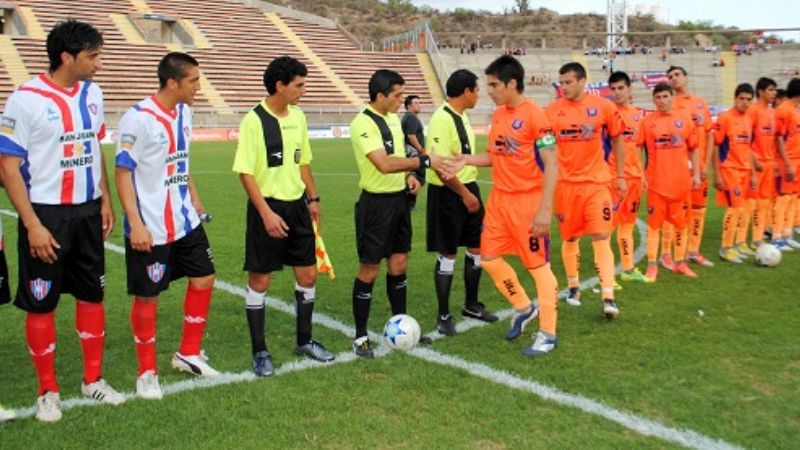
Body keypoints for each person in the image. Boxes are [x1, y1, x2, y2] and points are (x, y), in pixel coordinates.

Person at [0, 20, 124, 422]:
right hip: (47, 214)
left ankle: (92, 380)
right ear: (66, 57)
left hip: (87, 211)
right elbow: (8, 166)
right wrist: (33, 224)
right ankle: (46, 391)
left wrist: (104, 198)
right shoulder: (26, 99)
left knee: (92, 295)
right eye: (92, 56)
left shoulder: (93, 93)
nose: (99, 64)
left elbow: (93, 149)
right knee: (43, 302)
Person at [116, 52, 219, 401]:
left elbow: (181, 162)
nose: (198, 87)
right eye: (193, 81)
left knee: (205, 276)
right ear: (172, 82)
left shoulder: (185, 113)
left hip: (185, 219)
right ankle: (146, 372)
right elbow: (123, 172)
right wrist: (135, 223)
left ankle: (187, 353)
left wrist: (196, 198)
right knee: (148, 296)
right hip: (152, 226)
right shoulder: (138, 118)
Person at [449, 55, 559, 355]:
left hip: (528, 202)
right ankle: (523, 307)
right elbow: (494, 156)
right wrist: (466, 160)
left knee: (539, 268)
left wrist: (544, 209)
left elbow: (552, 165)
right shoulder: (498, 116)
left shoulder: (537, 116)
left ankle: (548, 332)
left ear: (512, 83)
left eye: (495, 85)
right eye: (487, 85)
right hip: (500, 201)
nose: (490, 91)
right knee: (488, 259)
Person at [232, 56, 335, 376]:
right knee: (260, 280)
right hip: (268, 208)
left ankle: (304, 340)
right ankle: (260, 351)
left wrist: (313, 197)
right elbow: (245, 173)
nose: (303, 91)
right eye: (299, 85)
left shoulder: (299, 117)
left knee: (307, 276)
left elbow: (303, 161)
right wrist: (265, 214)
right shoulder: (254, 120)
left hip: (298, 207)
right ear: (280, 85)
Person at [349, 69, 446, 358]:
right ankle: (360, 336)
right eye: (397, 95)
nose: (401, 100)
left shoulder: (393, 119)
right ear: (380, 96)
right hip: (375, 206)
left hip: (399, 202)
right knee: (370, 269)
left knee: (399, 264)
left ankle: (402, 325)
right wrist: (423, 161)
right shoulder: (363, 123)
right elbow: (383, 163)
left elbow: (397, 163)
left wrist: (409, 179)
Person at [546, 62, 626, 318]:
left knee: (601, 236)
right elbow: (544, 146)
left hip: (596, 184)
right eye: (562, 82)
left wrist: (621, 175)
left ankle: (608, 296)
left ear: (582, 81)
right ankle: (573, 286)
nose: (564, 87)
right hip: (566, 187)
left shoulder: (604, 106)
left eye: (569, 82)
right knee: (570, 238)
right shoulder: (552, 111)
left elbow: (617, 138)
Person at [425, 69, 497, 336]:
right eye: (477, 90)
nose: (479, 95)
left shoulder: (462, 117)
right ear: (467, 91)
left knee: (477, 248)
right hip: (448, 194)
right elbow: (439, 166)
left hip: (470, 188)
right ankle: (443, 315)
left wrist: (471, 191)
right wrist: (464, 194)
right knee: (448, 253)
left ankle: (471, 305)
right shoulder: (441, 119)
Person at [641, 83, 701, 281]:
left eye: (665, 96)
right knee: (654, 226)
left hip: (681, 184)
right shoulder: (647, 122)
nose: (662, 101)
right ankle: (651, 266)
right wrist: (641, 174)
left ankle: (680, 263)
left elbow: (694, 148)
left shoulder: (685, 121)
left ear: (672, 97)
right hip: (656, 185)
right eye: (658, 97)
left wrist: (697, 174)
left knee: (682, 225)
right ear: (653, 100)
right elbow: (637, 148)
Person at [663, 66, 715, 269]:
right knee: (673, 211)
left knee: (699, 210)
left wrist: (706, 163)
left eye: (677, 75)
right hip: (678, 168)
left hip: (700, 166)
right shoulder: (670, 103)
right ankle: (667, 253)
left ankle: (693, 250)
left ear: (686, 77)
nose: (674, 78)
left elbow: (710, 134)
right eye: (670, 76)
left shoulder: (700, 104)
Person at [607, 71, 651, 282]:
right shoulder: (607, 114)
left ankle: (628, 268)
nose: (617, 93)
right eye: (613, 89)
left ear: (629, 89)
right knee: (607, 227)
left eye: (621, 88)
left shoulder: (636, 115)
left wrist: (641, 175)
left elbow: (639, 148)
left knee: (628, 224)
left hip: (633, 178)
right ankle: (606, 273)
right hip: (613, 179)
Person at [713, 83, 755, 263]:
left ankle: (737, 243)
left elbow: (747, 148)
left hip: (744, 169)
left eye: (748, 99)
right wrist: (717, 173)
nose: (745, 103)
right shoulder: (725, 118)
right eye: (741, 99)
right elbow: (715, 146)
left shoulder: (748, 120)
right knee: (735, 208)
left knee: (743, 208)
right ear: (735, 98)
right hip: (729, 169)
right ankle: (726, 248)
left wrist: (752, 173)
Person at [745, 78, 778, 250]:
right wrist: (754, 160)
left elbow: (773, 139)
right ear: (760, 92)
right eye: (771, 89)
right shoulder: (752, 111)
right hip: (755, 164)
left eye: (775, 90)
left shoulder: (772, 112)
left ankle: (758, 237)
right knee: (750, 202)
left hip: (769, 163)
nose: (774, 93)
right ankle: (740, 240)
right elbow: (746, 139)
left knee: (765, 201)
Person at [772, 78, 800, 250]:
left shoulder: (795, 110)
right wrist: (787, 163)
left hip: (797, 159)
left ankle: (787, 233)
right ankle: (776, 236)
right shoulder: (783, 110)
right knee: (782, 199)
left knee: (792, 198)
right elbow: (778, 138)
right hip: (786, 161)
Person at [401, 94, 426, 210]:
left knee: (414, 177)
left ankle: (409, 203)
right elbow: (411, 136)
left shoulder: (406, 117)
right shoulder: (411, 117)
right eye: (416, 103)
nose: (419, 105)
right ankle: (409, 203)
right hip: (413, 153)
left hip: (408, 152)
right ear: (408, 106)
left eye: (419, 102)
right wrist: (420, 149)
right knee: (419, 177)